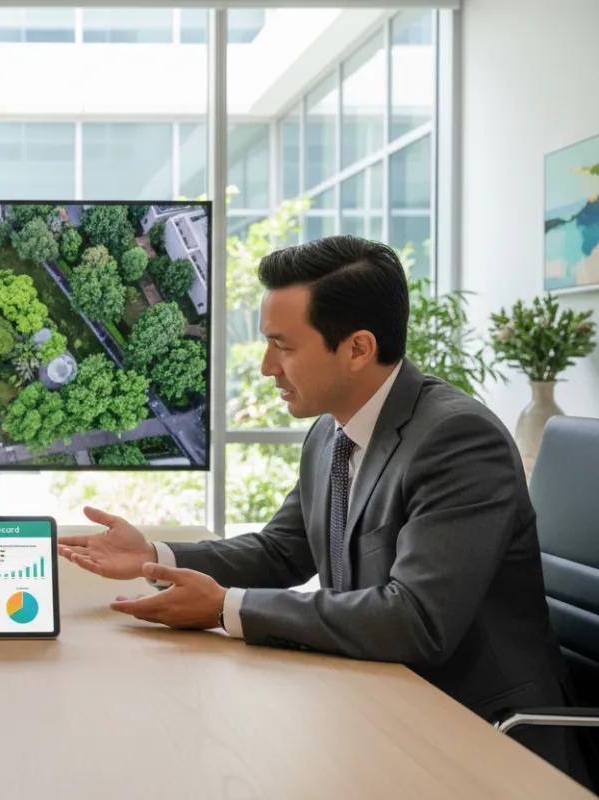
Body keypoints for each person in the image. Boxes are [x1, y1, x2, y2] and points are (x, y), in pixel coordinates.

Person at [59, 235, 592, 788]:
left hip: (480, 739)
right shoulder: (330, 431)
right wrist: (153, 556)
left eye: (282, 347)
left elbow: (416, 621)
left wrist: (225, 608)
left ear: (358, 348)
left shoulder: (457, 439)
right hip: (377, 703)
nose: (267, 367)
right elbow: (282, 551)